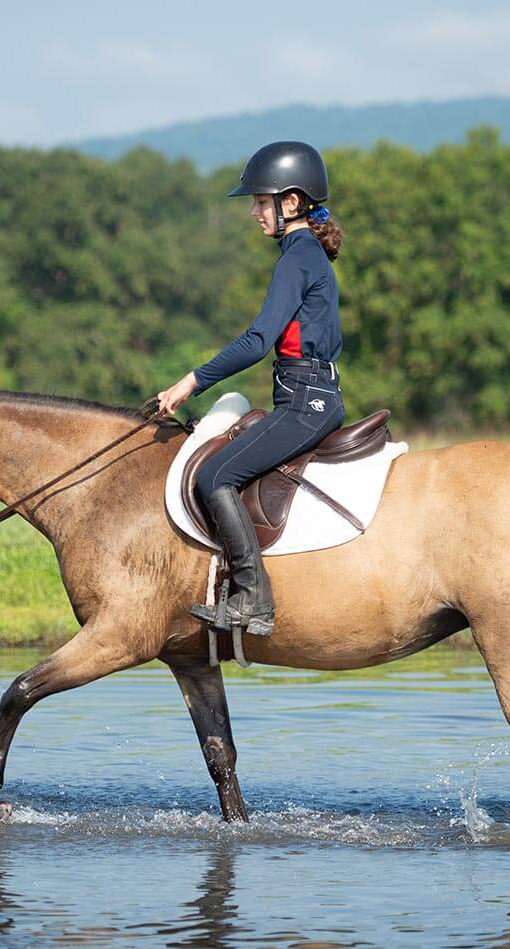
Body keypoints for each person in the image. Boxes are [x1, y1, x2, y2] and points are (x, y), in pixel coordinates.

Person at [156, 140, 347, 638]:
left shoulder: (298, 258)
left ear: (291, 203)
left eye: (261, 202)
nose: (254, 213)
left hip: (307, 402)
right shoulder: (302, 255)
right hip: (306, 394)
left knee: (215, 475)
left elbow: (259, 340)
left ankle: (254, 599)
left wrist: (192, 381)